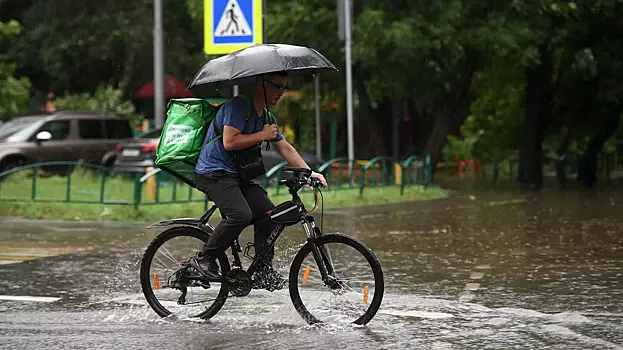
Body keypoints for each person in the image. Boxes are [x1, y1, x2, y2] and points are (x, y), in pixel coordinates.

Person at [191, 71, 327, 291]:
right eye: (278, 87)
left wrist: (309, 173)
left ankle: (263, 271)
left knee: (270, 216)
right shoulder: (238, 106)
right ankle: (205, 259)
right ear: (262, 84)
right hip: (213, 172)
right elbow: (229, 141)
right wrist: (261, 135)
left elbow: (285, 148)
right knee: (240, 214)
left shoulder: (266, 118)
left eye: (284, 88)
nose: (281, 93)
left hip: (237, 176)